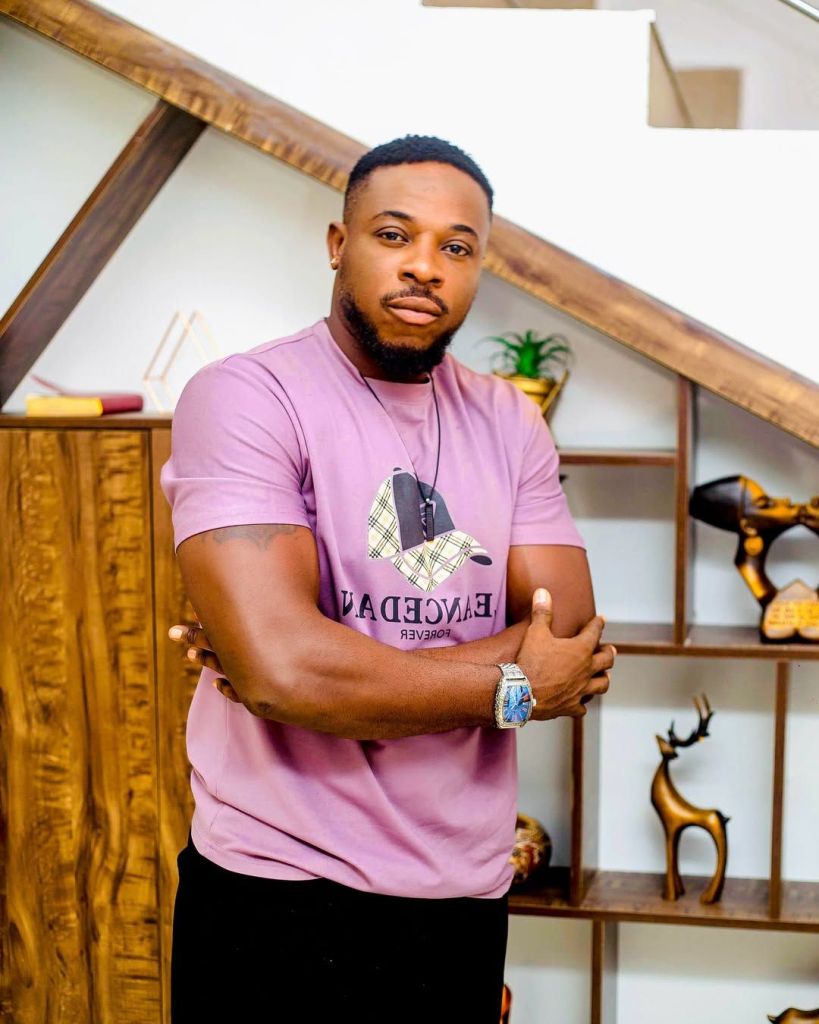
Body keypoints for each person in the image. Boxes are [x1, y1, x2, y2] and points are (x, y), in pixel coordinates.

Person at [161, 134, 616, 1023]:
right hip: (276, 885)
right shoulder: (248, 395)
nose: (424, 267)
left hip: (461, 889)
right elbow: (284, 672)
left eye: (456, 246)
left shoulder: (507, 421)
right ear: (339, 244)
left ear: (480, 265)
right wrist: (515, 685)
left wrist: (316, 660)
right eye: (393, 235)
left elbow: (566, 640)